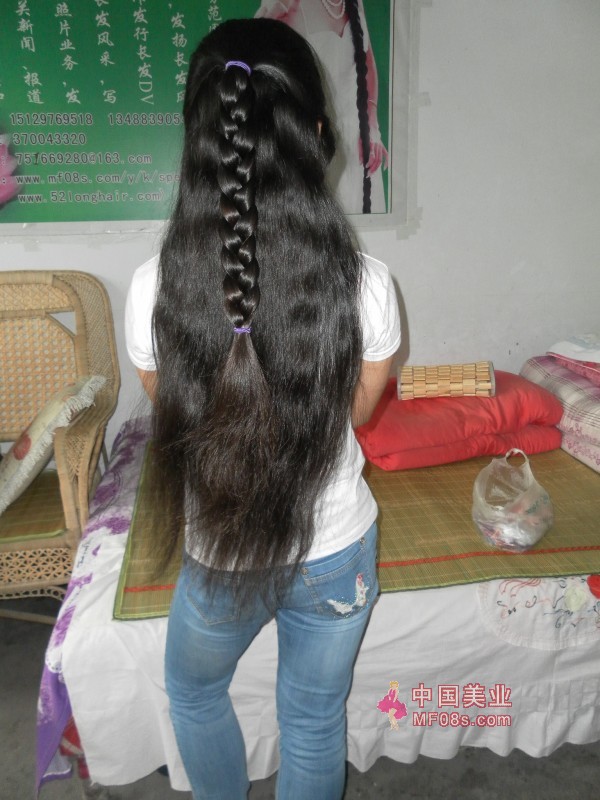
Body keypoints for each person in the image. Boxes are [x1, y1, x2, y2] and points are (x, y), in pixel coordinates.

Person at [125, 17, 400, 800]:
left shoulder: (153, 289)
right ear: (317, 135)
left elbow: (180, 417)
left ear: (199, 141)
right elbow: (361, 413)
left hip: (222, 551)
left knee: (195, 693)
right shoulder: (370, 284)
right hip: (337, 548)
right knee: (313, 720)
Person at [256, 0, 389, 214]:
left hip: (358, 138)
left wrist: (372, 127)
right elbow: (251, 53)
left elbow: (368, 64)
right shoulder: (288, 4)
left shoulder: (354, 3)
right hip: (315, 142)